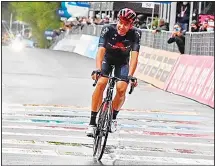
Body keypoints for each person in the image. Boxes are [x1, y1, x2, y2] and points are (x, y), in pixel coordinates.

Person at [86, 8, 141, 137]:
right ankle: (92, 123)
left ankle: (113, 118)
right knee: (101, 83)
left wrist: (131, 76)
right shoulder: (108, 29)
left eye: (126, 24)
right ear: (117, 21)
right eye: (120, 22)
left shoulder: (135, 34)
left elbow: (134, 57)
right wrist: (98, 69)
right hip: (107, 59)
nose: (122, 27)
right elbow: (100, 51)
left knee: (122, 88)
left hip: (122, 62)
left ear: (131, 25)